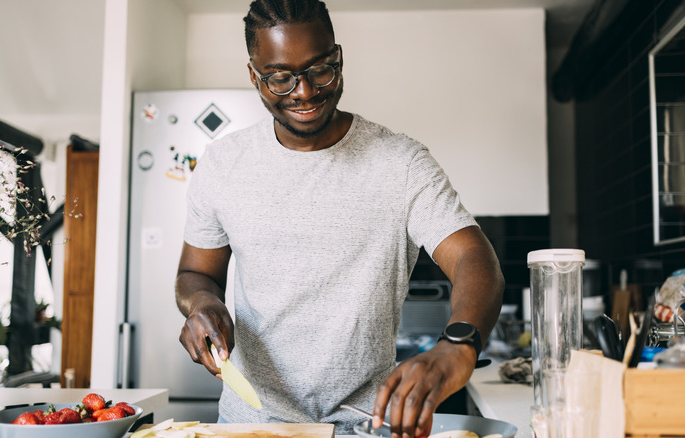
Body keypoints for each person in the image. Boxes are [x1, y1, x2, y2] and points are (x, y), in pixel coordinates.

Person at [175, 0, 505, 436]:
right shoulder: (222, 165)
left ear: (339, 58)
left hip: (364, 427)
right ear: (255, 76)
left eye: (320, 69)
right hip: (251, 426)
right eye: (280, 77)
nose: (304, 91)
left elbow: (474, 260)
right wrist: (201, 305)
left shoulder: (400, 163)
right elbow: (196, 273)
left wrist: (458, 346)